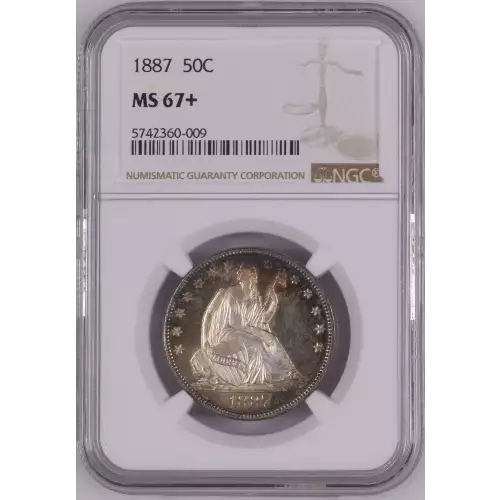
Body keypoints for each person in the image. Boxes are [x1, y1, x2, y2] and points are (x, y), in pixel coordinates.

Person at [190, 265, 304, 390]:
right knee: (257, 342)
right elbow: (209, 314)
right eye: (240, 270)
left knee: (271, 339)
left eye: (244, 270)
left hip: (241, 331)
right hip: (224, 333)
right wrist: (204, 340)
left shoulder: (253, 298)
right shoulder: (227, 292)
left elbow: (262, 320)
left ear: (252, 276)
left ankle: (289, 372)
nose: (239, 272)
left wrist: (273, 303)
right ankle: (257, 379)